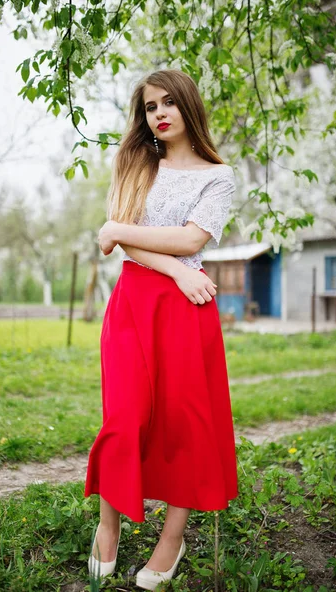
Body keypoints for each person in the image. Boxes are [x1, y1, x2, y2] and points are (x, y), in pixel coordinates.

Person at [84, 68, 239, 591]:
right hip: (137, 301)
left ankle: (171, 539)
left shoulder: (219, 175)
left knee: (185, 426)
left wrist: (117, 229)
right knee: (124, 418)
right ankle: (107, 527)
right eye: (151, 107)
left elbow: (191, 237)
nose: (160, 113)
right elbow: (141, 247)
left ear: (188, 105)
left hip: (186, 312)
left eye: (169, 102)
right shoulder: (135, 160)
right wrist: (172, 267)